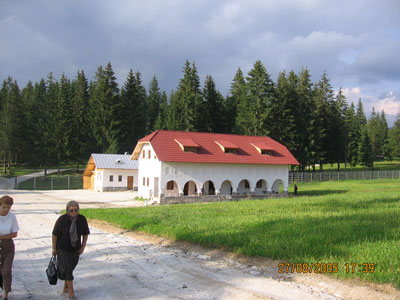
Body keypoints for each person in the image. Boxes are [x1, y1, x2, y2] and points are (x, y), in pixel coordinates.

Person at [52, 201, 90, 299]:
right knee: (68, 269)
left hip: (75, 249)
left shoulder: (82, 219)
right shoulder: (62, 220)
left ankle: (66, 286)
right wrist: (54, 248)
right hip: (62, 248)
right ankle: (71, 292)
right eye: (71, 210)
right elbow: (55, 234)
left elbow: (85, 233)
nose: (74, 212)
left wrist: (83, 246)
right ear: (67, 211)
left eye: (76, 210)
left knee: (70, 267)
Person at [0, 195, 19, 300]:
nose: (6, 210)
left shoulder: (12, 217)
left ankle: (5, 294)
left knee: (6, 271)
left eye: (8, 207)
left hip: (8, 246)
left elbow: (14, 233)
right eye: (4, 207)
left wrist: (3, 236)